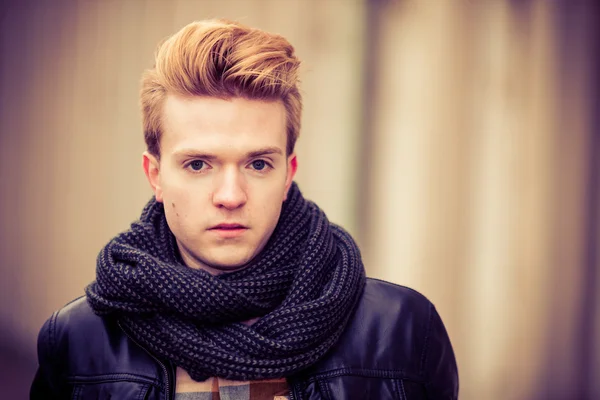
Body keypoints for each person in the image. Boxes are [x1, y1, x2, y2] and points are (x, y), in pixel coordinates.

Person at [30, 19, 458, 399]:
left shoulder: (402, 330)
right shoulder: (77, 341)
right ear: (155, 175)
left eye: (258, 164)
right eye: (198, 164)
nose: (230, 195)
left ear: (288, 173)